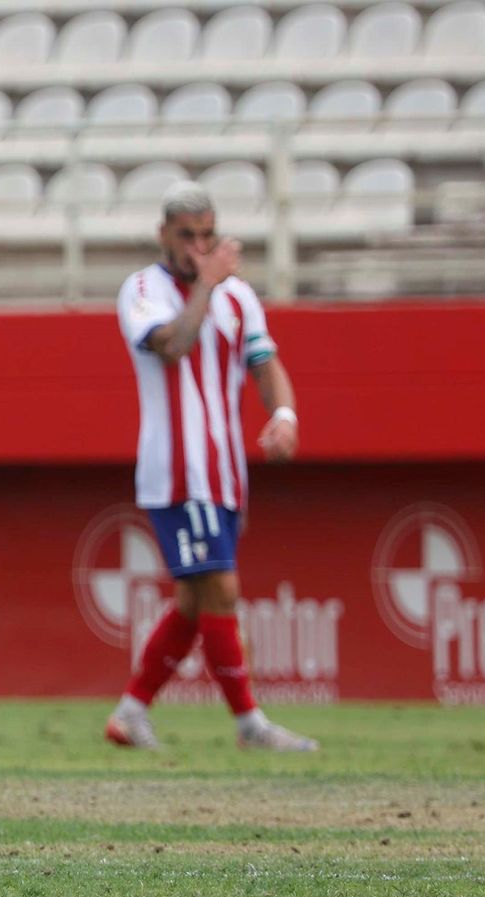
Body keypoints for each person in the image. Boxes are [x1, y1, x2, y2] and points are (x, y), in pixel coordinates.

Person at [105, 182, 318, 753]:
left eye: (207, 235)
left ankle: (129, 713)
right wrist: (206, 283)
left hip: (224, 473)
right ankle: (250, 724)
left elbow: (264, 361)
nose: (198, 247)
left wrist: (286, 414)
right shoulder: (143, 290)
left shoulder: (238, 296)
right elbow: (172, 345)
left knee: (198, 603)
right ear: (164, 235)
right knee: (221, 588)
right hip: (177, 472)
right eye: (187, 236)